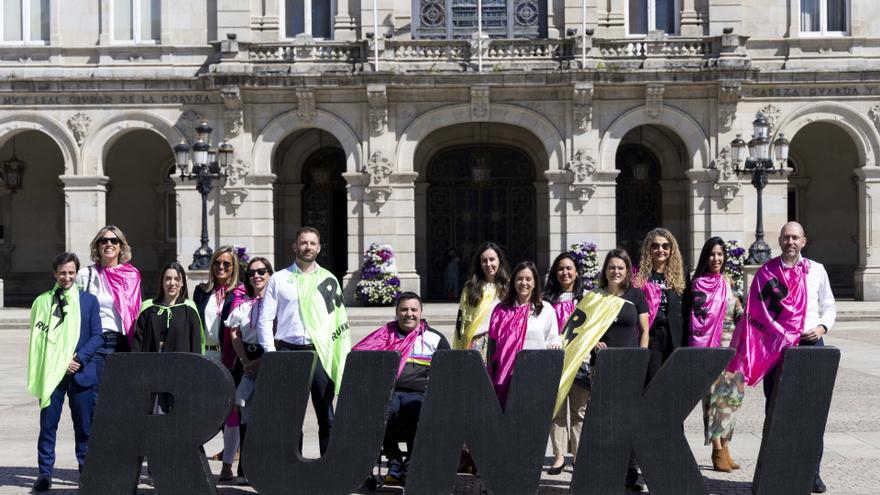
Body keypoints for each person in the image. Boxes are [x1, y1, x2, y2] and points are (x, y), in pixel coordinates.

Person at [727, 221, 836, 494]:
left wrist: (822, 327)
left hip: (810, 347)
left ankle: (813, 473)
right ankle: (776, 469)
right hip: (776, 351)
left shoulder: (816, 271)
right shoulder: (766, 273)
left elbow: (829, 305)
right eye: (786, 237)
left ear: (804, 241)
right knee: (775, 411)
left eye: (795, 237)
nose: (790, 242)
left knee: (813, 412)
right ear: (779, 241)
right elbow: (756, 313)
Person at [257, 226, 351, 456]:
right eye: (303, 242)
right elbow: (265, 320)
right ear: (294, 246)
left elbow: (338, 320)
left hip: (320, 353)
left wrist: (339, 355)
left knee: (326, 415)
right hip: (288, 353)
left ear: (318, 248)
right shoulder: (279, 279)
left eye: (312, 243)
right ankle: (291, 470)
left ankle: (328, 467)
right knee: (290, 418)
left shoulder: (328, 279)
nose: (307, 247)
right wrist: (271, 355)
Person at [353, 291, 450, 486]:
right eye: (404, 309)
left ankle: (411, 466)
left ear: (421, 312)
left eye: (414, 309)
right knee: (380, 413)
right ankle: (395, 462)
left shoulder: (435, 339)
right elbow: (363, 360)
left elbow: (447, 373)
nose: (409, 314)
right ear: (396, 312)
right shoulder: (384, 336)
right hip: (391, 392)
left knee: (421, 413)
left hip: (421, 395)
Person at [29, 253, 103, 492]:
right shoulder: (43, 302)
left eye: (71, 272)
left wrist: (79, 359)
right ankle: (45, 473)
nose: (67, 277)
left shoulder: (88, 301)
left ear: (77, 273)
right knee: (48, 426)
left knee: (84, 427)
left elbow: (97, 336)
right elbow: (39, 341)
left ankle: (86, 471)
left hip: (81, 373)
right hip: (53, 374)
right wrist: (58, 362)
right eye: (62, 273)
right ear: (55, 274)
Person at [589, 249, 650, 491]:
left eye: (620, 268)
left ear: (627, 271)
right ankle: (607, 469)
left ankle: (629, 470)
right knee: (606, 419)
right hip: (603, 365)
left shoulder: (636, 296)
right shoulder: (596, 296)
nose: (615, 271)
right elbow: (586, 331)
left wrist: (642, 356)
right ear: (605, 270)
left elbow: (644, 330)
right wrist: (594, 344)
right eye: (612, 267)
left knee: (629, 420)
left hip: (630, 365)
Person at [685, 237, 744, 473]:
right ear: (705, 257)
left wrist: (746, 313)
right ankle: (716, 449)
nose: (716, 259)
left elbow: (737, 309)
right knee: (711, 401)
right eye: (712, 254)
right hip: (708, 347)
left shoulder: (728, 281)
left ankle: (726, 447)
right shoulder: (698, 284)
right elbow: (697, 319)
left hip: (731, 347)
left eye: (720, 254)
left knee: (730, 399)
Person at [193, 246, 242, 481]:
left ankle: (227, 465)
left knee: (231, 413)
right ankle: (194, 460)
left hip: (229, 357)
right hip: (205, 356)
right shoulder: (201, 292)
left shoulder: (239, 294)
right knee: (204, 410)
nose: (221, 267)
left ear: (234, 267)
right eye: (217, 263)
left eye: (226, 264)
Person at [76, 225, 142, 397]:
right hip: (94, 341)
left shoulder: (131, 275)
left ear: (121, 246)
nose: (109, 244)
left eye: (114, 240)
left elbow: (135, 311)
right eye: (104, 240)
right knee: (95, 396)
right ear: (97, 246)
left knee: (120, 395)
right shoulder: (85, 274)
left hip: (120, 342)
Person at [225, 257, 274, 486]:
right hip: (248, 362)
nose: (257, 276)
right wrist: (245, 361)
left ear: (269, 274)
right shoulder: (243, 303)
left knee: (269, 415)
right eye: (252, 272)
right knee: (243, 408)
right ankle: (245, 467)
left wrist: (263, 361)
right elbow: (234, 332)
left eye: (262, 271)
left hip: (271, 362)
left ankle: (270, 466)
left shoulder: (277, 303)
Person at [487, 261, 562, 406]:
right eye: (519, 278)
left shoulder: (545, 309)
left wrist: (555, 344)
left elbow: (553, 337)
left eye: (528, 279)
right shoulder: (501, 310)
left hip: (536, 372)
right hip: (506, 376)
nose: (524, 283)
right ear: (513, 282)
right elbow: (492, 345)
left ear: (535, 283)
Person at [542, 252, 586, 475]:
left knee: (579, 411)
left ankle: (579, 456)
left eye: (569, 268)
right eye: (560, 268)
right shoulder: (545, 300)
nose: (565, 272)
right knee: (557, 411)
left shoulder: (587, 298)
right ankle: (559, 456)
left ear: (577, 272)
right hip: (555, 361)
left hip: (579, 362)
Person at [633, 227, 686, 381]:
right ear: (648, 249)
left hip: (674, 335)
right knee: (652, 379)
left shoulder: (681, 276)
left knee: (673, 381)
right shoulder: (638, 276)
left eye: (665, 246)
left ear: (671, 249)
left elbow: (686, 309)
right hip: (651, 335)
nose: (660, 250)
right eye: (655, 246)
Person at [452, 242, 510, 361]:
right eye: (484, 261)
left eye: (492, 259)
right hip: (475, 343)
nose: (488, 264)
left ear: (499, 260)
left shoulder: (509, 287)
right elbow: (461, 319)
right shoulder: (470, 287)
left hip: (502, 343)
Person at [131, 262, 204, 354]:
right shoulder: (148, 308)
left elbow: (196, 345)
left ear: (182, 283)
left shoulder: (189, 309)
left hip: (181, 365)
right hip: (151, 365)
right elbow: (137, 344)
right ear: (162, 282)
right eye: (168, 279)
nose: (172, 283)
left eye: (177, 279)